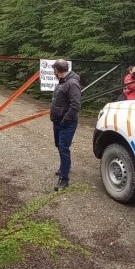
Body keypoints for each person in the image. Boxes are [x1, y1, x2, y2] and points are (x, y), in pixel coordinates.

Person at [50, 59, 81, 191]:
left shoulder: (72, 83)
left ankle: (64, 179)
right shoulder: (62, 82)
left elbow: (75, 105)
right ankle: (65, 167)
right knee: (59, 145)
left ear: (57, 70)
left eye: (54, 70)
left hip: (66, 123)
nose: (53, 72)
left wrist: (65, 120)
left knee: (63, 148)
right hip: (58, 122)